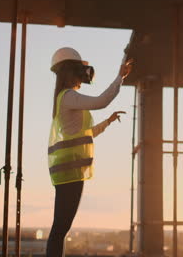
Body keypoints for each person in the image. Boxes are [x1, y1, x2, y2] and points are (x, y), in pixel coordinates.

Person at [46, 47, 132, 256]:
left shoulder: (68, 98)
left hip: (70, 171)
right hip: (70, 171)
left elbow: (87, 133)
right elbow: (100, 101)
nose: (85, 75)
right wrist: (119, 77)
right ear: (70, 71)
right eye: (80, 70)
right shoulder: (68, 97)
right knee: (60, 228)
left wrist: (108, 122)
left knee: (61, 227)